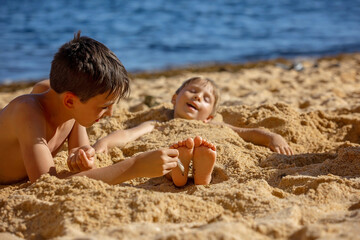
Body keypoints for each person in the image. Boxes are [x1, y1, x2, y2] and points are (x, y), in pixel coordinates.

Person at [0, 31, 179, 185]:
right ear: (70, 101)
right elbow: (47, 183)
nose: (110, 113)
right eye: (104, 106)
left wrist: (83, 159)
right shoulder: (26, 112)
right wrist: (135, 166)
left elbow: (81, 154)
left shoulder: (65, 103)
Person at [93, 76, 294, 186]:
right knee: (169, 156)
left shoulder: (214, 125)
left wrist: (272, 137)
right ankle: (183, 175)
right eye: (193, 91)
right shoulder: (157, 124)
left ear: (208, 117)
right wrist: (104, 143)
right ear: (174, 98)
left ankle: (201, 174)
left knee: (209, 152)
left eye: (206, 99)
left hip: (204, 153)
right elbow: (127, 134)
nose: (198, 97)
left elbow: (247, 133)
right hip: (173, 158)